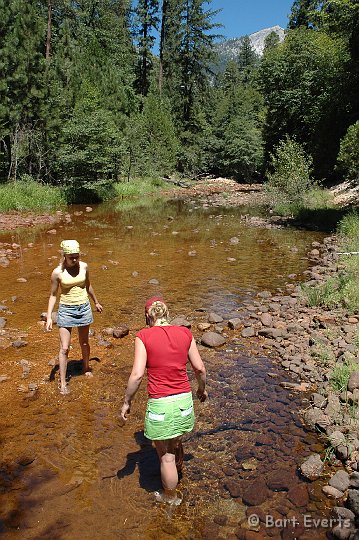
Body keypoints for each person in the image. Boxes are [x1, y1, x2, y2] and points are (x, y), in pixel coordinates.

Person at [120, 296, 207, 505]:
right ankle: (178, 472)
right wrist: (201, 390)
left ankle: (171, 499)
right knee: (176, 440)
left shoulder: (143, 336)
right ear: (167, 313)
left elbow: (137, 375)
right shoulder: (185, 333)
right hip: (184, 402)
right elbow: (200, 369)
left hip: (161, 403)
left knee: (165, 455)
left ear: (148, 317)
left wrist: (126, 402)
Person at [46, 240, 103, 395]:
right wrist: (50, 316)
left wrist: (96, 302)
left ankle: (86, 368)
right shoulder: (57, 273)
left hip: (84, 308)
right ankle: (63, 382)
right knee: (64, 348)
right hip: (66, 310)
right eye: (72, 257)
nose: (75, 260)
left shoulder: (84, 267)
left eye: (77, 256)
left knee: (84, 342)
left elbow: (88, 285)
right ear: (64, 256)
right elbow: (52, 295)